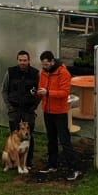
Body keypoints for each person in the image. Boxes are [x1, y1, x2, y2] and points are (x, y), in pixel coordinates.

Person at [36, 50, 78, 179]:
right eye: (43, 65)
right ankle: (52, 165)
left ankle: (73, 168)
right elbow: (41, 88)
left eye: (47, 64)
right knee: (51, 140)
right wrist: (37, 92)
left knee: (65, 140)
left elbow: (64, 93)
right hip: (47, 111)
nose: (45, 67)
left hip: (59, 112)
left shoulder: (63, 73)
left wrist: (48, 92)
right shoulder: (43, 72)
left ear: (53, 61)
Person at [1, 48, 39, 142]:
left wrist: (34, 107)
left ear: (29, 60)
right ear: (17, 60)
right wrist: (9, 107)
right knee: (14, 135)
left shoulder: (35, 74)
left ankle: (29, 156)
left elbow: (39, 93)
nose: (22, 62)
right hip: (14, 109)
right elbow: (4, 90)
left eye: (25, 60)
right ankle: (14, 156)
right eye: (20, 60)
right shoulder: (10, 72)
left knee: (28, 136)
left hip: (28, 110)